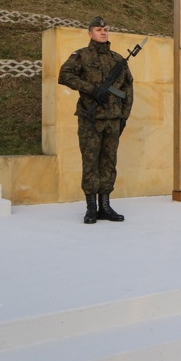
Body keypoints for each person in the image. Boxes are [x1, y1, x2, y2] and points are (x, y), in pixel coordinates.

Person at [58, 16, 133, 224]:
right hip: (90, 118)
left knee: (109, 161)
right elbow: (64, 75)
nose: (103, 32)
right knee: (90, 161)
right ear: (89, 33)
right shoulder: (81, 55)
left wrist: (123, 115)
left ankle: (105, 206)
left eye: (105, 29)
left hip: (113, 119)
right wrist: (91, 89)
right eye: (98, 29)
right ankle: (91, 207)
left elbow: (128, 89)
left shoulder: (118, 60)